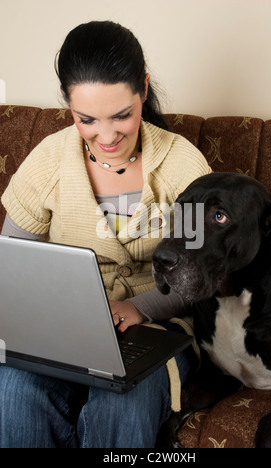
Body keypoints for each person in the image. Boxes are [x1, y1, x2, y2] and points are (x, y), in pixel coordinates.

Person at [0, 21, 211, 448]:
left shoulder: (181, 166)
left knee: (123, 402)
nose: (108, 135)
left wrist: (138, 307)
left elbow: (203, 274)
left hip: (161, 329)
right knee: (16, 388)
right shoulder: (50, 160)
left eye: (122, 115)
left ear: (144, 89)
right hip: (68, 331)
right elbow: (14, 262)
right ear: (68, 106)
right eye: (87, 120)